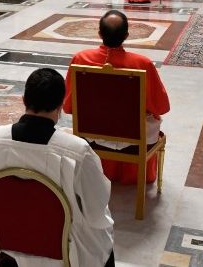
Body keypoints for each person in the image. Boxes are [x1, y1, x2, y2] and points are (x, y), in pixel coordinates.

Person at [0, 68, 115, 267]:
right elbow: (97, 210)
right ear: (61, 105)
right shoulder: (77, 152)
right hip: (66, 254)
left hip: (7, 251)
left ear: (24, 100)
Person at [63, 10, 170, 184]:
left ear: (99, 34)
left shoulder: (80, 59)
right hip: (134, 139)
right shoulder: (142, 64)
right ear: (127, 35)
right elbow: (161, 107)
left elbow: (68, 107)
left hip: (92, 135)